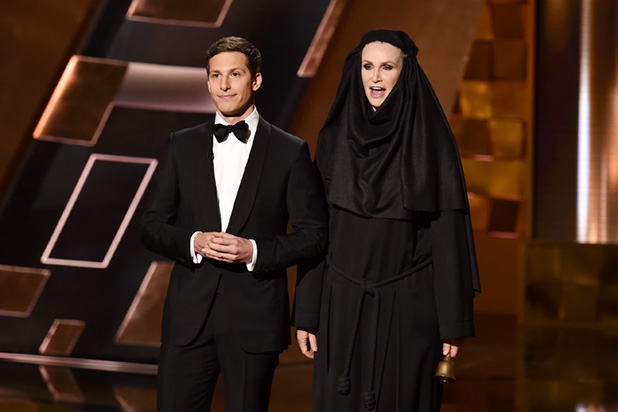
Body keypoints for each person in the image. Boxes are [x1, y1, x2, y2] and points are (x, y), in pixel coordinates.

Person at [294, 29, 482, 411]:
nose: (375, 78)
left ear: (405, 73)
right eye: (367, 66)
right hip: (340, 305)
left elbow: (448, 236)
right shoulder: (335, 137)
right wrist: (307, 312)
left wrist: (452, 322)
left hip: (409, 309)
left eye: (386, 67)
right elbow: (318, 230)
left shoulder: (431, 141)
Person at [141, 36, 328, 412]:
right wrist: (193, 241)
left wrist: (254, 251)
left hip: (255, 317)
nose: (224, 85)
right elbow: (150, 225)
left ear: (255, 80)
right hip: (188, 318)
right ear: (208, 82)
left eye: (235, 74)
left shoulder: (290, 151)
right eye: (216, 76)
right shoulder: (182, 145)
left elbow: (315, 235)